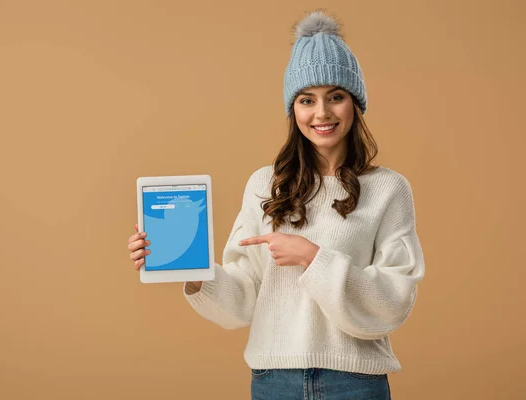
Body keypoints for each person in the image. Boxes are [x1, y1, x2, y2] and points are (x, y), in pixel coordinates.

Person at [128, 9, 425, 400]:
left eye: (335, 96)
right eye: (307, 100)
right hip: (274, 382)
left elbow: (393, 300)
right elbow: (244, 297)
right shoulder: (263, 185)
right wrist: (194, 272)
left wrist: (312, 257)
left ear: (355, 103)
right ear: (293, 109)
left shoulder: (388, 189)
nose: (321, 113)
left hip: (354, 383)